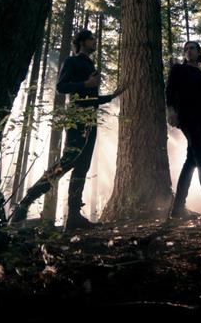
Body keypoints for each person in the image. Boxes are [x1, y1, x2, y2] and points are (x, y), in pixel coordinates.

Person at [10, 29, 124, 230]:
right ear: (81, 42)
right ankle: (24, 203)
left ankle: (73, 216)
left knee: (83, 166)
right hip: (76, 119)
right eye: (90, 39)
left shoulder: (89, 64)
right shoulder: (71, 62)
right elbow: (61, 87)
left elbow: (91, 99)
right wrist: (85, 83)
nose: (94, 42)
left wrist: (112, 96)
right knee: (67, 162)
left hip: (90, 119)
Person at [165, 40, 201, 220]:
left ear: (199, 53)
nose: (188, 51)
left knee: (191, 161)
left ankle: (177, 209)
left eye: (192, 49)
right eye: (186, 49)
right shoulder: (178, 69)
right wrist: (170, 110)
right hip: (186, 118)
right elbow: (169, 90)